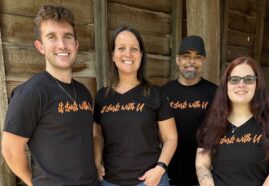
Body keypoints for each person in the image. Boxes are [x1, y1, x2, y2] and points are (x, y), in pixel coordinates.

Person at [1, 5, 98, 186]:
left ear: (76, 45)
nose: (62, 45)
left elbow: (89, 137)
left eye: (67, 37)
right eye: (52, 37)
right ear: (40, 46)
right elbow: (10, 150)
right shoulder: (30, 93)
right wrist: (34, 183)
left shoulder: (84, 92)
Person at [93, 26, 177, 186]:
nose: (128, 54)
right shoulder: (102, 97)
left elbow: (170, 138)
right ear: (113, 55)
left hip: (150, 181)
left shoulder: (155, 94)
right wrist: (97, 162)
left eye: (134, 49)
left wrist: (160, 169)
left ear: (141, 55)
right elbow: (98, 136)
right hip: (110, 182)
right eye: (121, 48)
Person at [196, 56, 269, 186]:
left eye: (248, 79)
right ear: (226, 85)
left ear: (257, 84)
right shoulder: (213, 122)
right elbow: (202, 164)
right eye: (234, 80)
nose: (241, 84)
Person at [162, 35, 217, 185]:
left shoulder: (215, 93)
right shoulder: (164, 93)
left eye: (197, 57)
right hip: (169, 174)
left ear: (203, 61)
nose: (192, 62)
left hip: (203, 175)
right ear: (178, 60)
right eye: (186, 56)